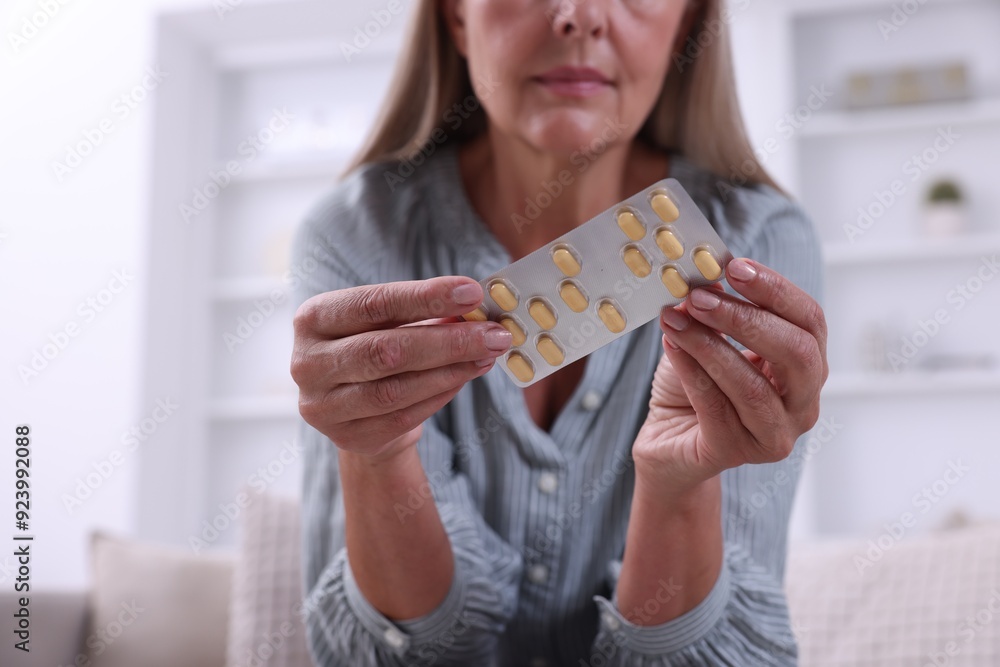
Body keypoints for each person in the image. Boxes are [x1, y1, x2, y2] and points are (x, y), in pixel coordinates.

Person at [289, 0, 827, 665]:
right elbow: (389, 655)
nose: (578, 17)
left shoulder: (756, 242)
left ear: (685, 23)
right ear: (456, 17)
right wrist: (378, 457)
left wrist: (678, 484)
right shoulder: (355, 238)